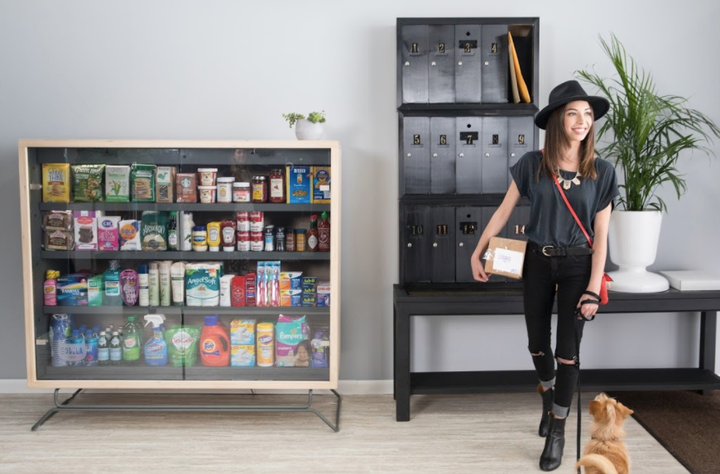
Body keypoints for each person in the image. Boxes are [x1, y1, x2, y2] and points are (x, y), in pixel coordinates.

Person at [470, 80, 619, 471]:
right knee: (538, 345)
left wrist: (591, 288)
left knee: (568, 353)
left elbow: (601, 235)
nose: (582, 121)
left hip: (578, 267)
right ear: (556, 120)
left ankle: (557, 428)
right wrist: (479, 248)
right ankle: (548, 392)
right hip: (537, 261)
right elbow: (504, 211)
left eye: (588, 114)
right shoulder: (531, 164)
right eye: (573, 113)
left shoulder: (602, 172)